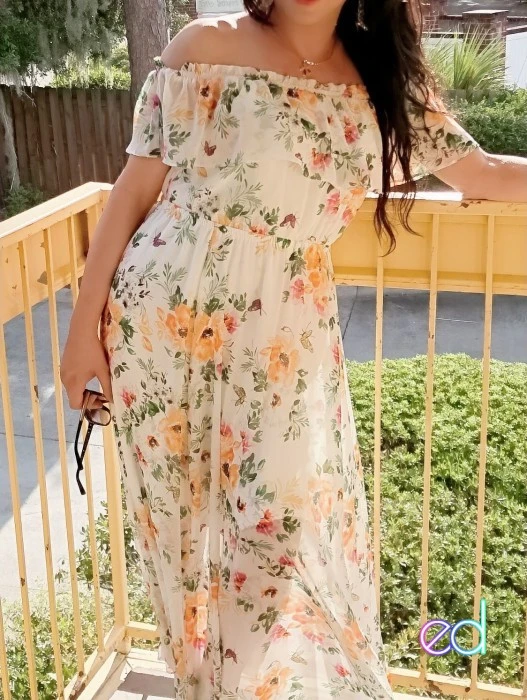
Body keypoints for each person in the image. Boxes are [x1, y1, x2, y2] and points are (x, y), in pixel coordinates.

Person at [60, 0, 526, 697]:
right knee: (178, 529)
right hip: (157, 327)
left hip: (282, 334)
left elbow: (481, 173)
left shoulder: (380, 82)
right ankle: (202, 684)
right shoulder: (202, 45)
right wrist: (82, 331)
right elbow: (134, 191)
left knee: (274, 526)